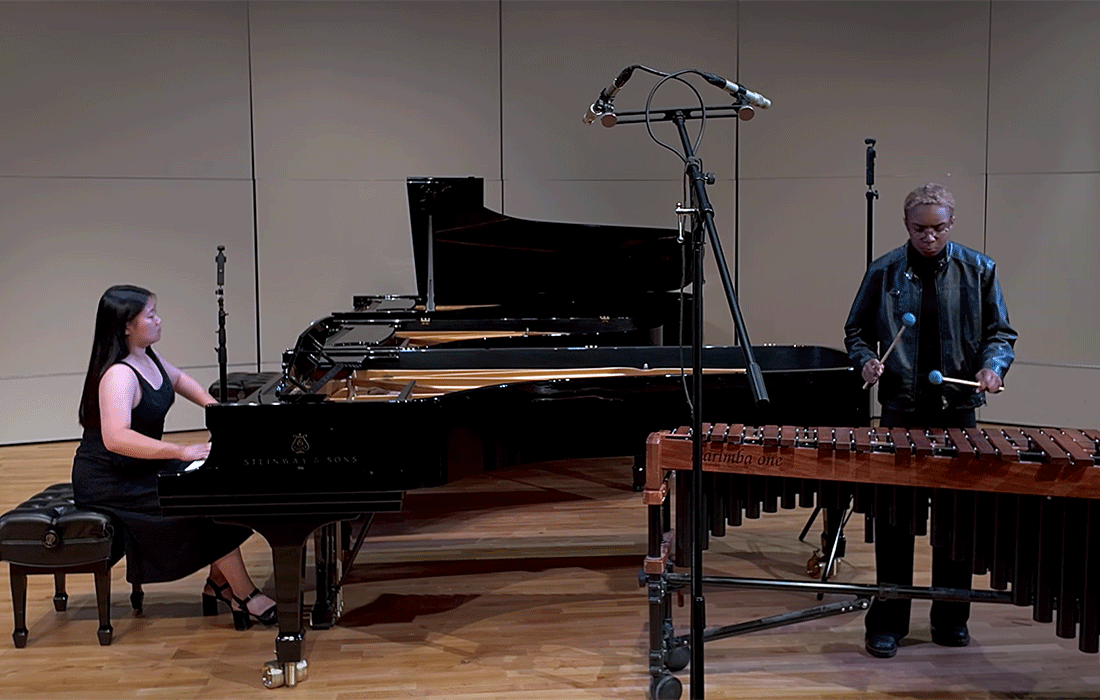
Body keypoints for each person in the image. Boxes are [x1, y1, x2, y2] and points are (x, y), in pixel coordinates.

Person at [844, 183, 1016, 658]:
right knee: (896, 522)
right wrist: (866, 361)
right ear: (907, 227)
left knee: (957, 524)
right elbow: (856, 329)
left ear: (951, 224)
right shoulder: (884, 271)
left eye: (938, 228)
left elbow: (1001, 332)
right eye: (920, 229)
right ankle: (888, 623)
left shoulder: (979, 269)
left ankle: (950, 616)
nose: (929, 236)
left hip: (958, 414)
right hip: (901, 408)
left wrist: (992, 368)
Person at [71, 284, 276, 630]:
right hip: (112, 480)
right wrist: (182, 451)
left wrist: (221, 414)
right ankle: (242, 594)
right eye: (150, 315)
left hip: (139, 467)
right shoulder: (118, 375)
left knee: (216, 484)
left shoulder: (146, 356)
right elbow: (116, 438)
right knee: (201, 500)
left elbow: (179, 380)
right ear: (126, 325)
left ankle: (219, 583)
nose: (159, 320)